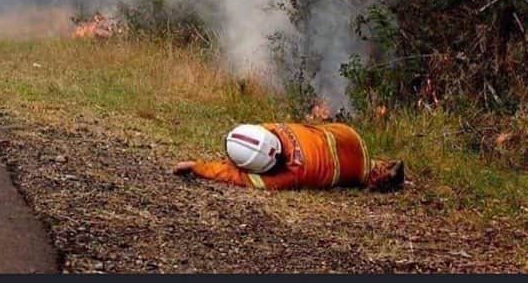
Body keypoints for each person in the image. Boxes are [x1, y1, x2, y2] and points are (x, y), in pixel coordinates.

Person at [171, 122, 405, 192]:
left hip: (353, 171)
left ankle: (380, 175)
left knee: (351, 173)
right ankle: (381, 166)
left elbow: (231, 175)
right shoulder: (275, 128)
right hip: (348, 134)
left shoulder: (290, 175)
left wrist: (196, 166)